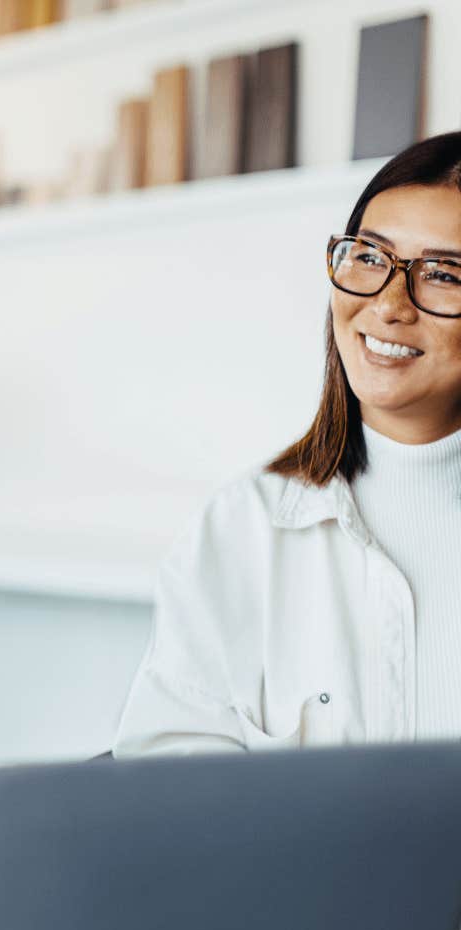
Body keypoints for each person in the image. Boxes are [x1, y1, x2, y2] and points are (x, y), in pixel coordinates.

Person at [116, 132, 461, 754]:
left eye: (442, 274)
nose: (387, 305)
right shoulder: (240, 528)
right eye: (370, 258)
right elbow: (171, 787)